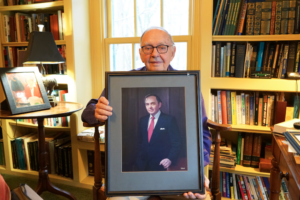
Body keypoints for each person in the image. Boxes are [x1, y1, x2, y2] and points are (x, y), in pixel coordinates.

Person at [81, 27, 212, 199]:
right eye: (148, 48)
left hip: (174, 173)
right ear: (141, 53)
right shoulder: (122, 82)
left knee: (199, 198)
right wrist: (96, 111)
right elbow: (89, 111)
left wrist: (195, 172)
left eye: (162, 47)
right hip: (135, 175)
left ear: (173, 52)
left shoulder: (189, 85)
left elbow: (202, 134)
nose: (155, 54)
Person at [136, 94, 182, 171]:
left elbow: (177, 143)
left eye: (152, 103)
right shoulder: (142, 120)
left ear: (159, 104)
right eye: (147, 104)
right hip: (143, 165)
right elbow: (139, 142)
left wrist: (169, 159)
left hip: (161, 165)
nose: (149, 107)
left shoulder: (169, 120)